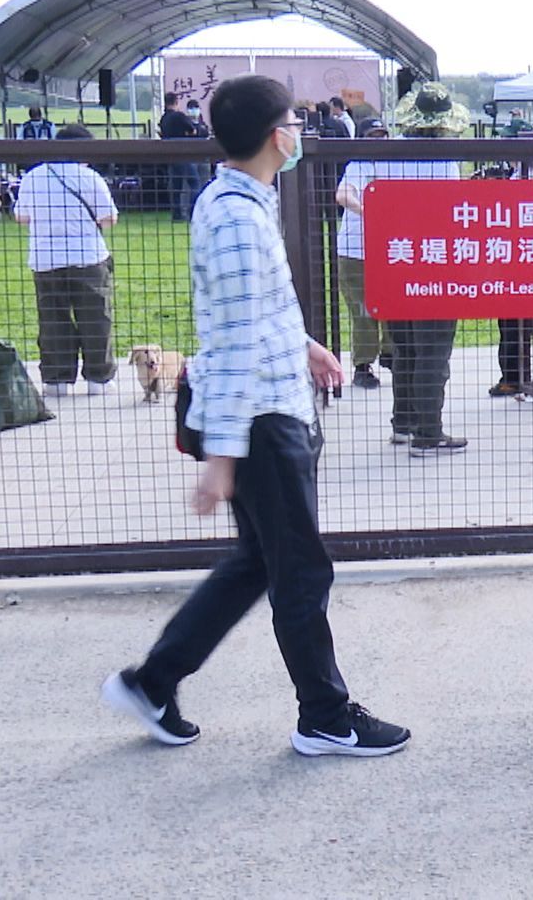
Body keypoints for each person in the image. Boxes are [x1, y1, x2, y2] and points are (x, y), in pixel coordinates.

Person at [100, 73, 409, 758]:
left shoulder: (240, 202)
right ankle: (325, 715)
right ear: (278, 136)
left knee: (258, 562)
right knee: (298, 570)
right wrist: (222, 460)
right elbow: (236, 347)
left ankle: (153, 681)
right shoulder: (238, 218)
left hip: (270, 404)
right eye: (295, 122)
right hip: (262, 420)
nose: (300, 132)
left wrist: (305, 347)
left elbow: (255, 313)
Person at [383, 83, 469, 456]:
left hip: (394, 261)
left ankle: (402, 423)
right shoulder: (444, 160)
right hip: (434, 265)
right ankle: (429, 432)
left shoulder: (387, 155)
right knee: (433, 352)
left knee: (404, 347)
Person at [16, 125, 119, 396]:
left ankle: (57, 378)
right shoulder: (90, 177)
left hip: (45, 258)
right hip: (88, 256)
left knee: (52, 319)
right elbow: (108, 218)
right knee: (95, 316)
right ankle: (99, 378)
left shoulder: (33, 176)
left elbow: (21, 216)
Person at [335, 117, 392, 391]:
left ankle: (391, 353)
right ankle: (363, 365)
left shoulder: (397, 165)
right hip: (356, 250)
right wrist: (368, 210)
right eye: (373, 136)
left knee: (394, 305)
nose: (379, 142)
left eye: (383, 136)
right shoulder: (358, 165)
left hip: (390, 249)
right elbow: (343, 194)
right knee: (364, 309)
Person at [160, 91, 207, 222]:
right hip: (183, 155)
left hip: (171, 156)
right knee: (195, 183)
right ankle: (193, 213)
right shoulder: (179, 116)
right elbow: (193, 130)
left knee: (176, 187)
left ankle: (177, 215)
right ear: (176, 102)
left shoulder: (164, 118)